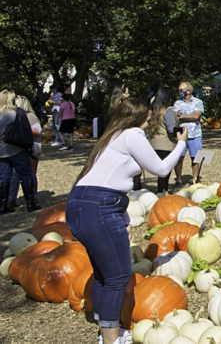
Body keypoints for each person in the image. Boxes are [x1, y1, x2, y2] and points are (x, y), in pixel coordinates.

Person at [65, 98, 187, 344]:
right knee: (118, 277)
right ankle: (110, 340)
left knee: (103, 275)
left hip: (81, 205)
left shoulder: (112, 136)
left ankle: (107, 332)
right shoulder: (132, 134)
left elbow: (107, 180)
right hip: (100, 207)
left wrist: (123, 216)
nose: (151, 120)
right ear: (142, 117)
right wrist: (181, 145)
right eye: (149, 116)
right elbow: (161, 169)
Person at [0, 90, 40, 213]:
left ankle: (3, 205)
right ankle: (30, 203)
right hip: (17, 149)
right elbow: (26, 131)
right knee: (25, 175)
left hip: (1, 151)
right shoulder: (18, 113)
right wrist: (31, 147)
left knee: (3, 178)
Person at [146, 88, 180, 193]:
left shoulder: (154, 110)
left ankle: (161, 191)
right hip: (166, 144)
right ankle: (162, 192)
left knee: (160, 171)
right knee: (165, 173)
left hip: (154, 143)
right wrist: (180, 132)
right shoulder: (168, 110)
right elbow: (171, 129)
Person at [173, 81, 204, 186]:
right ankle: (178, 180)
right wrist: (190, 116)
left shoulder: (198, 102)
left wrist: (183, 116)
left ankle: (195, 177)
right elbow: (176, 117)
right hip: (180, 133)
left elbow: (197, 116)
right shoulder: (177, 103)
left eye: (181, 90)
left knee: (196, 157)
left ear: (189, 91)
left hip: (195, 133)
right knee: (179, 157)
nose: (180, 92)